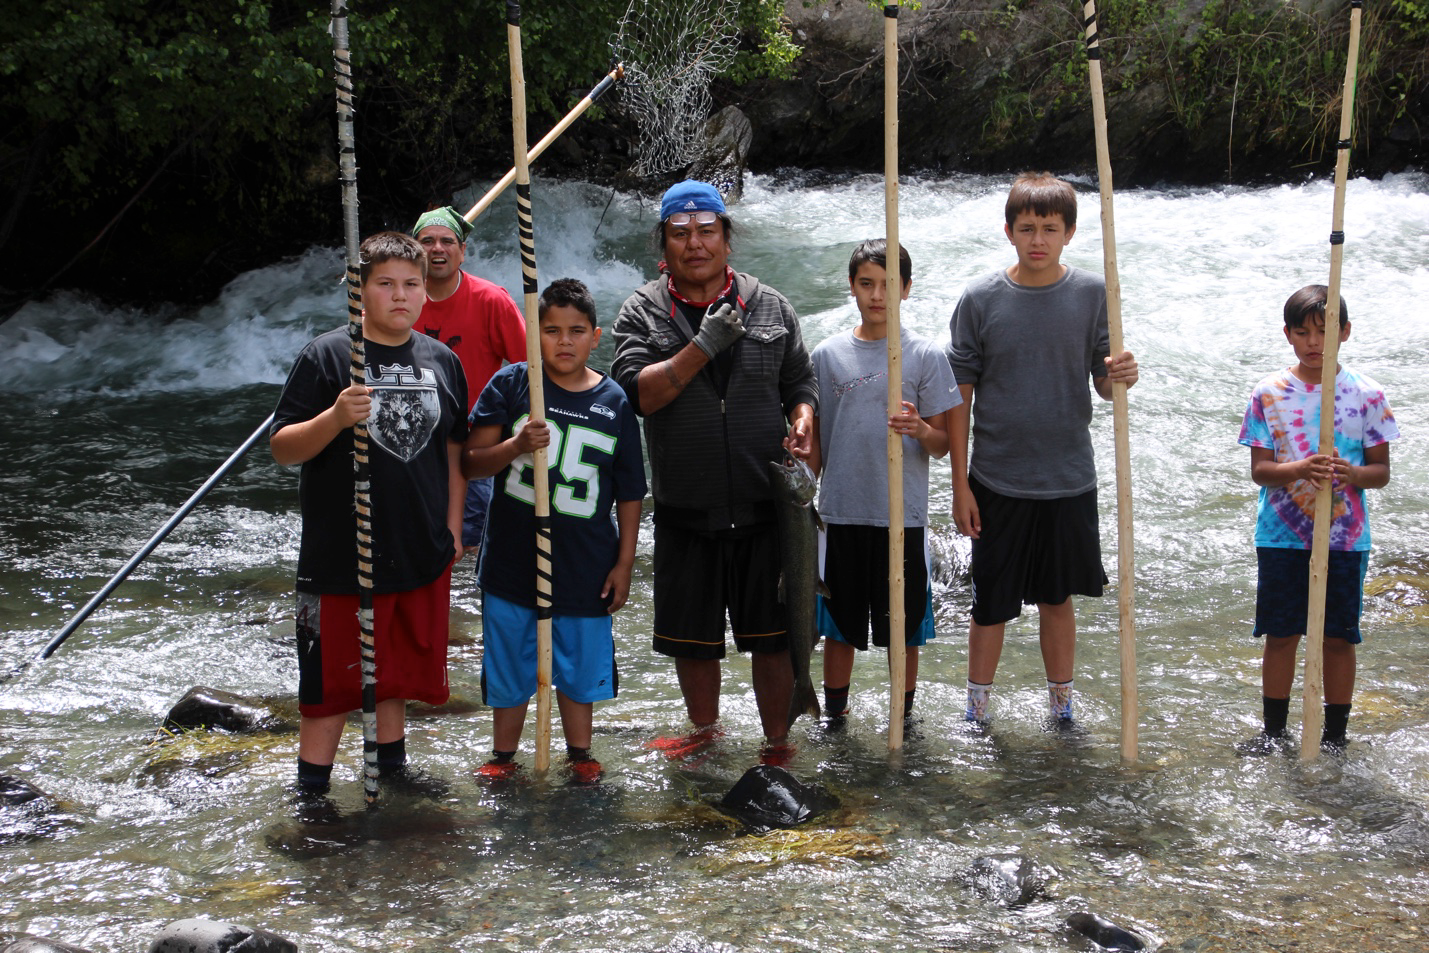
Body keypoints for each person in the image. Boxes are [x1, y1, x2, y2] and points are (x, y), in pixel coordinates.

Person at [611, 179, 818, 763]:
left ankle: (777, 740)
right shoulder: (641, 311)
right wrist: (703, 345)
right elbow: (638, 395)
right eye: (681, 234)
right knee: (693, 640)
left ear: (727, 239)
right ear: (664, 245)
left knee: (772, 638)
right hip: (685, 504)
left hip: (764, 503)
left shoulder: (770, 304)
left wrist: (803, 417)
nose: (694, 244)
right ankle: (704, 731)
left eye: (707, 232)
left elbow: (800, 381)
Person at [270, 231, 468, 796]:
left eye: (411, 284)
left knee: (396, 674)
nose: (400, 295)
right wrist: (334, 418)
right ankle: (312, 790)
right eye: (385, 284)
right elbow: (283, 448)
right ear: (360, 293)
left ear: (426, 293)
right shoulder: (329, 356)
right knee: (331, 683)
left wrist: (453, 525)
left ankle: (391, 769)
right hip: (343, 558)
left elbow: (454, 448)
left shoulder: (442, 361)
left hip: (419, 547)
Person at [947, 172, 1139, 728]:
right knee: (991, 603)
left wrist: (1120, 375)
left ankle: (1062, 708)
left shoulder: (1091, 294)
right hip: (997, 477)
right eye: (1027, 228)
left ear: (1069, 233)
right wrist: (960, 485)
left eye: (1050, 229)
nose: (1038, 240)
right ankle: (976, 710)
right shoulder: (980, 299)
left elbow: (1104, 383)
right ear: (1008, 231)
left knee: (1059, 599)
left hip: (1068, 476)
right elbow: (959, 398)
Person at [463, 278, 646, 782]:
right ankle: (504, 756)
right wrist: (516, 446)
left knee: (579, 660)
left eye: (576, 331)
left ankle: (579, 753)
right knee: (510, 657)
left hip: (586, 561)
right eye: (550, 330)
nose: (563, 341)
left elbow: (631, 491)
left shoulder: (613, 401)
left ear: (596, 336)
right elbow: (472, 464)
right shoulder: (513, 385)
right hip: (511, 558)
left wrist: (624, 563)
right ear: (532, 334)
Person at [1236, 284, 1398, 754]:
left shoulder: (1366, 394)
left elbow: (1380, 472)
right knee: (1281, 633)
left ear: (1345, 332)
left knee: (1338, 637)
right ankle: (1273, 730)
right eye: (1303, 332)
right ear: (1287, 335)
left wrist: (1352, 474)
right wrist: (1301, 469)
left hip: (1345, 537)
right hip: (1281, 535)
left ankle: (1335, 735)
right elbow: (1261, 472)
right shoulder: (1270, 393)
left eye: (1325, 331)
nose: (1314, 342)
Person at [808, 239, 959, 726]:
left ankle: (903, 715)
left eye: (888, 285)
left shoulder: (923, 356)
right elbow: (818, 443)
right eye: (867, 284)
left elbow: (943, 443)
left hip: (902, 515)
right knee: (838, 627)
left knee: (905, 627)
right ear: (852, 287)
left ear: (907, 290)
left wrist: (920, 429)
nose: (877, 295)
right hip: (840, 511)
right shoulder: (828, 356)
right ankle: (835, 716)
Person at [412, 206, 528, 559]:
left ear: (462, 252)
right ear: (413, 251)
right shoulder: (397, 300)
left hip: (473, 445)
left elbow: (529, 371)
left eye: (448, 241)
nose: (438, 249)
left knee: (468, 546)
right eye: (427, 241)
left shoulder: (491, 300)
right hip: (413, 440)